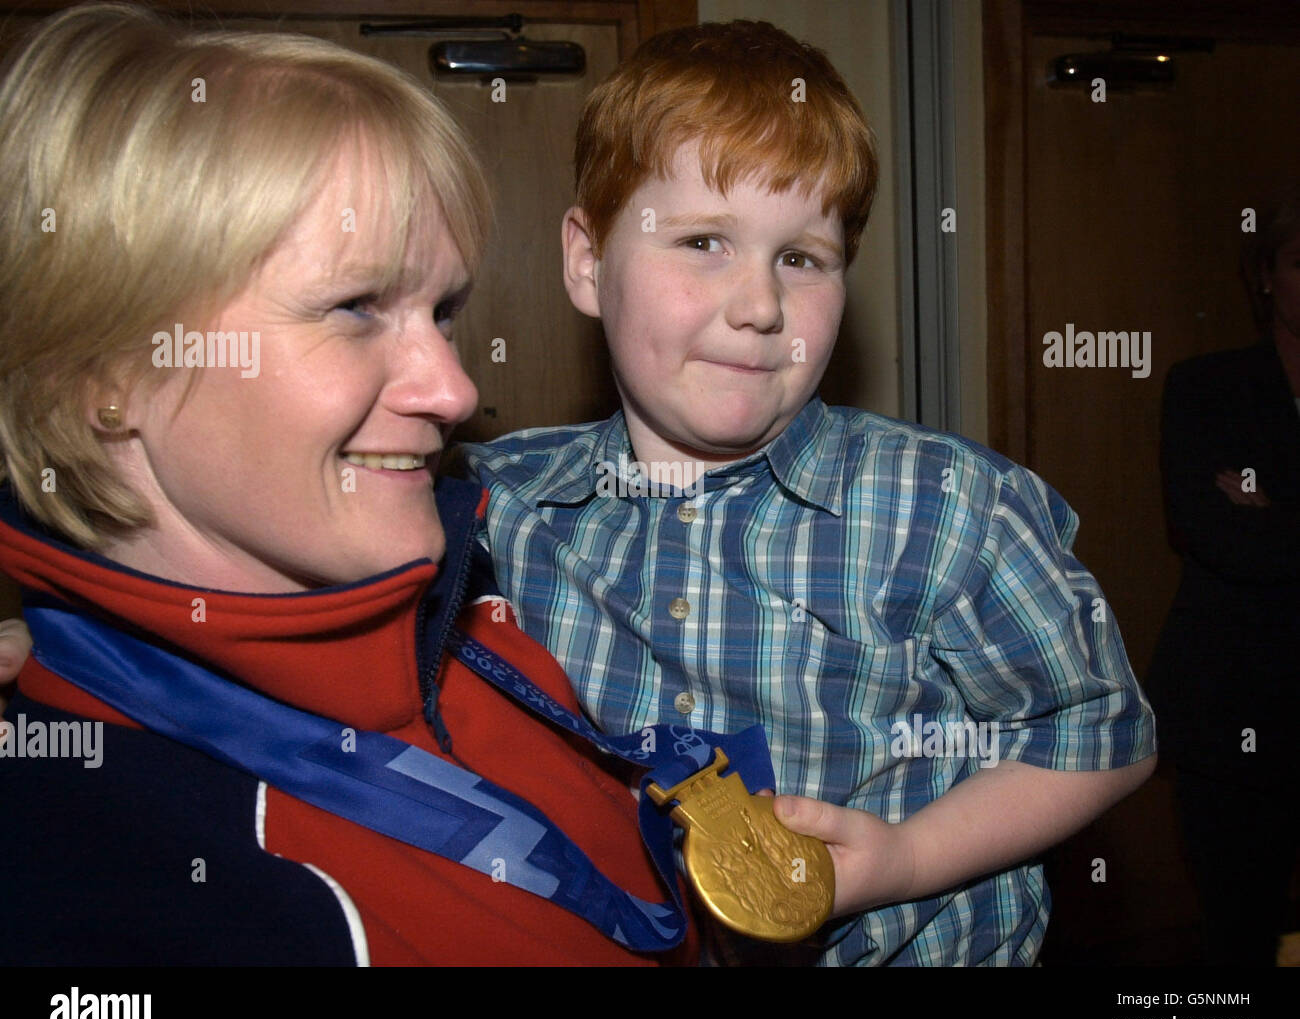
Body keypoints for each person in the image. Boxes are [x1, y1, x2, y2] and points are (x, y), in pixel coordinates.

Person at [0, 3, 697, 966]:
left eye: (443, 309)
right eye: (357, 305)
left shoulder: (453, 596)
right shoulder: (128, 889)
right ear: (107, 374)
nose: (455, 390)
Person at [461, 20, 1158, 965]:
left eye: (802, 257)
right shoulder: (499, 507)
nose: (758, 305)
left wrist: (909, 858)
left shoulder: (950, 510)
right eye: (704, 239)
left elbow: (1101, 731)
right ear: (588, 261)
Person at [1146, 185, 1300, 965]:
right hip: (1232, 704)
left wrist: (1271, 507)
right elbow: (1209, 533)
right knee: (1240, 928)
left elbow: (1258, 539)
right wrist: (1256, 523)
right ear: (1267, 274)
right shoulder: (1206, 388)